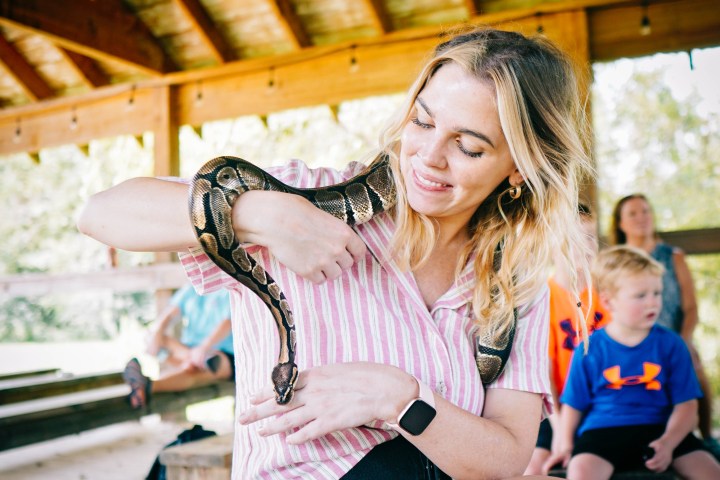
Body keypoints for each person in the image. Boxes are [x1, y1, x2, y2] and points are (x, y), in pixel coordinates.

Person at [78, 27, 592, 479]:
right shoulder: (302, 195)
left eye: (470, 147)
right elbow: (100, 214)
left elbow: (504, 457)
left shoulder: (513, 281)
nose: (429, 158)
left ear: (519, 168)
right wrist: (261, 215)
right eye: (422, 121)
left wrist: (398, 397)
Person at [545, 245, 720, 479]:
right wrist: (565, 446)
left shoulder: (672, 344)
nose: (652, 303)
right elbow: (573, 406)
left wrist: (668, 443)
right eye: (640, 296)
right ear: (608, 302)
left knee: (710, 471)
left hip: (663, 428)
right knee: (580, 471)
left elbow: (687, 407)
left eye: (657, 293)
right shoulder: (589, 348)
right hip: (603, 431)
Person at [611, 193, 719, 458]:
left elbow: (691, 307)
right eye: (633, 214)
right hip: (628, 341)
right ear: (621, 223)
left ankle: (705, 438)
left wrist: (685, 341)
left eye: (645, 211)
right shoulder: (615, 260)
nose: (641, 218)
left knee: (693, 366)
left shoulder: (673, 256)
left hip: (672, 336)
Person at [524, 204, 611, 475]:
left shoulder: (608, 295)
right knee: (531, 467)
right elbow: (545, 376)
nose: (583, 246)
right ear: (552, 245)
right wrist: (562, 431)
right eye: (572, 239)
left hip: (601, 405)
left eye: (589, 238)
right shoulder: (540, 299)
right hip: (554, 408)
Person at [122, 284, 234, 408]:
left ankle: (145, 387)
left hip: (221, 354)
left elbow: (228, 323)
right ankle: (192, 361)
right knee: (152, 336)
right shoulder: (192, 287)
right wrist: (156, 334)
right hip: (191, 353)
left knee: (208, 364)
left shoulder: (228, 288)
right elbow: (169, 313)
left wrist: (203, 348)